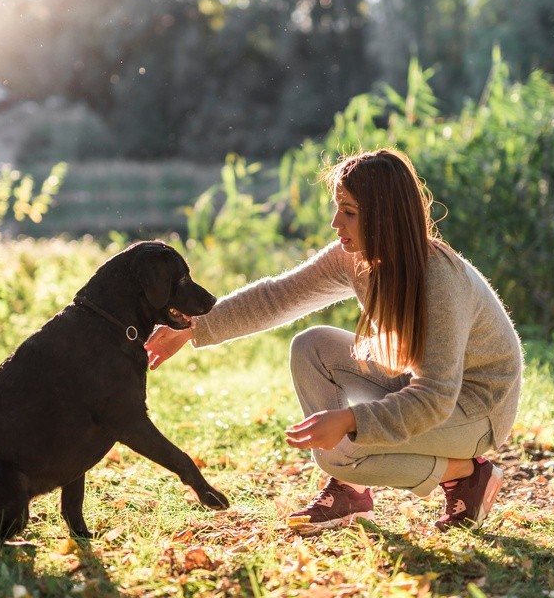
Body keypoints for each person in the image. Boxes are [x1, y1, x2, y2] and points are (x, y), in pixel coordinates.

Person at [145, 148, 523, 534]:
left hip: (476, 408)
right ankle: (351, 490)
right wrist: (194, 327)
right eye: (337, 207)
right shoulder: (356, 257)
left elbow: (436, 395)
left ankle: (465, 475)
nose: (334, 221)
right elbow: (279, 296)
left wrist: (350, 420)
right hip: (417, 382)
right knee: (310, 346)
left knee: (338, 453)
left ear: (384, 217)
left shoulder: (439, 282)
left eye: (349, 212)